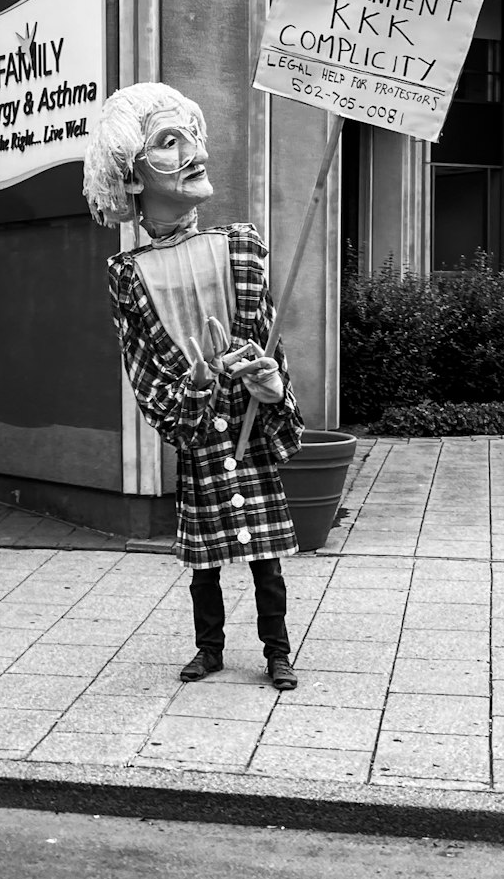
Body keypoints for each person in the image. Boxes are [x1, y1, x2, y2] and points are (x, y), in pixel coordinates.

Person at [82, 83, 303, 690]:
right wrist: (198, 387)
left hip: (252, 437)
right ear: (131, 176)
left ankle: (277, 651)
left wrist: (271, 385)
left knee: (267, 561)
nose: (195, 152)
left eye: (193, 135)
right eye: (169, 142)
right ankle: (209, 649)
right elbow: (147, 378)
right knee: (204, 563)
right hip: (202, 440)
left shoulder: (242, 247)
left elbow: (271, 350)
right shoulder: (128, 274)